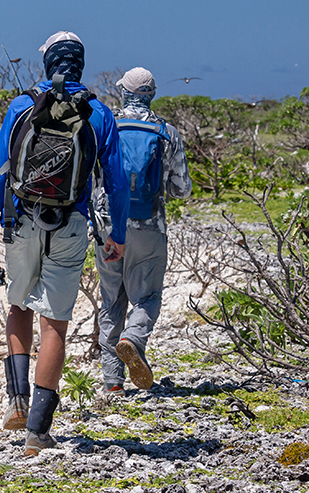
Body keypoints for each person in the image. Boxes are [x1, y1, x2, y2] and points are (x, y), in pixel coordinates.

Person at [0, 31, 128, 455]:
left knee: (18, 306)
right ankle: (37, 432)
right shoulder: (99, 114)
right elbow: (116, 183)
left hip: (20, 223)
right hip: (72, 225)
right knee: (54, 323)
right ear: (79, 64)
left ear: (48, 65)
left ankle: (17, 404)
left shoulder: (23, 106)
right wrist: (120, 235)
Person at [93, 67, 192, 393]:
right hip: (149, 225)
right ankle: (133, 338)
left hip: (107, 225)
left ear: (123, 92)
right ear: (152, 95)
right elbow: (182, 190)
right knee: (147, 297)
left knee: (111, 300)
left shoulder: (106, 126)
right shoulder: (167, 132)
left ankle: (112, 383)